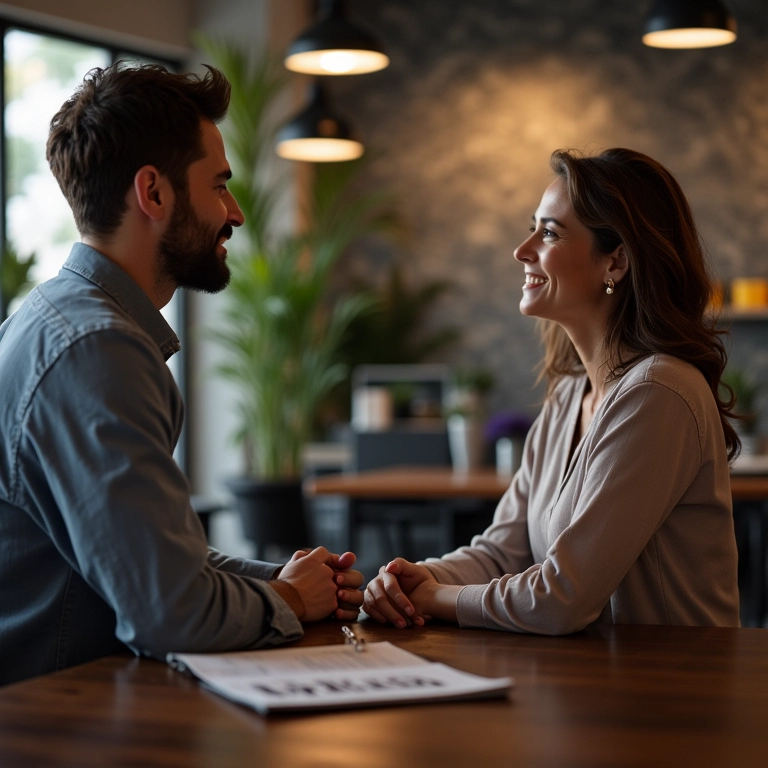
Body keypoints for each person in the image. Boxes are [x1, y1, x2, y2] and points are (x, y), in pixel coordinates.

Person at [0, 63, 363, 687]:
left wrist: (278, 582)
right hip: (53, 722)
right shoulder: (98, 350)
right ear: (155, 193)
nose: (237, 213)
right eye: (219, 185)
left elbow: (151, 553)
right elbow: (172, 613)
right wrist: (295, 602)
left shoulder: (50, 319)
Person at [364, 147, 741, 634]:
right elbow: (504, 551)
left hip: (670, 693)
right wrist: (419, 578)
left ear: (617, 262)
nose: (522, 251)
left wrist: (437, 598)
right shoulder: (568, 396)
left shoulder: (658, 392)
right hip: (590, 687)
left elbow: (562, 599)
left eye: (549, 233)